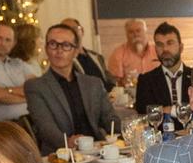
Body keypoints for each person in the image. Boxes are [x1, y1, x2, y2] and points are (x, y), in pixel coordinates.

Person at [26, 23, 125, 152]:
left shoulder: (93, 83)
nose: (59, 50)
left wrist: (129, 132)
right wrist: (68, 142)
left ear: (76, 51)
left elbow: (110, 119)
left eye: (66, 45)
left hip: (98, 150)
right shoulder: (35, 86)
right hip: (60, 156)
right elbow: (45, 128)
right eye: (53, 44)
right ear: (46, 49)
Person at [136, 23, 193, 114]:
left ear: (181, 47)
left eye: (170, 43)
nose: (165, 49)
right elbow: (144, 112)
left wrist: (167, 110)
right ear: (155, 49)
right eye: (160, 44)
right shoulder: (146, 80)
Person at [107, 18, 160, 87]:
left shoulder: (158, 51)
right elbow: (114, 82)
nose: (135, 34)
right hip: (131, 94)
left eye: (138, 31)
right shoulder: (118, 54)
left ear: (145, 31)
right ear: (126, 34)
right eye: (131, 32)